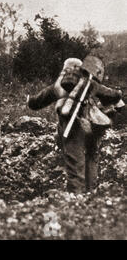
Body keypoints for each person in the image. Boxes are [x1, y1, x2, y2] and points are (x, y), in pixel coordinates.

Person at [28, 56, 124, 193]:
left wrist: (29, 100)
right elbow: (112, 95)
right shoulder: (90, 83)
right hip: (91, 127)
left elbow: (36, 103)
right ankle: (90, 192)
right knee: (92, 156)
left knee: (75, 164)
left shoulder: (57, 86)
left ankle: (76, 198)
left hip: (71, 126)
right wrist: (118, 93)